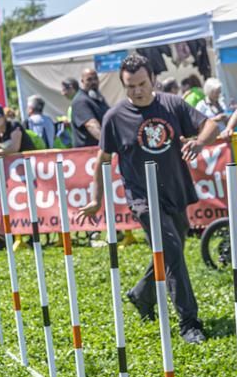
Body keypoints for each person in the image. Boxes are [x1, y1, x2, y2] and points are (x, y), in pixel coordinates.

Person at [79, 54, 219, 344]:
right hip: (142, 198)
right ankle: (189, 323)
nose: (137, 91)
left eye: (142, 84)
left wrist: (199, 141)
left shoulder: (172, 104)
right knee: (173, 252)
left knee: (171, 250)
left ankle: (142, 295)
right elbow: (102, 161)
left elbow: (210, 125)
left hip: (175, 192)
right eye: (130, 86)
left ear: (153, 79)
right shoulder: (114, 118)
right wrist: (96, 200)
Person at [70, 67, 109, 148]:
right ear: (82, 81)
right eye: (89, 79)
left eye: (95, 78)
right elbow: (91, 125)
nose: (93, 82)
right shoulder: (81, 101)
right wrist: (109, 144)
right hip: (87, 155)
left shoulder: (98, 99)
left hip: (100, 150)